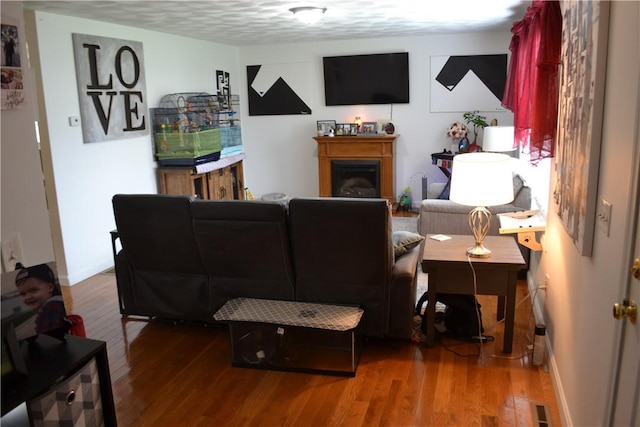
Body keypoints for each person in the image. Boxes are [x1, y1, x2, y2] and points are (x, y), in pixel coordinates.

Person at [15, 263, 68, 335]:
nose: (27, 297)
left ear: (50, 287)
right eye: (23, 294)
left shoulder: (49, 309)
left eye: (33, 290)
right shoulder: (58, 302)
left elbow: (48, 338)